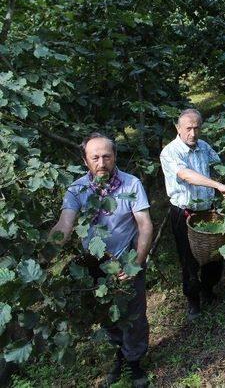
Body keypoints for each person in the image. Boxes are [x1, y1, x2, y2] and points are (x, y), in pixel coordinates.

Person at [49, 133, 153, 387]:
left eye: (107, 156)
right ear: (86, 161)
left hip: (128, 260)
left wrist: (136, 263)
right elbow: (66, 223)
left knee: (135, 315)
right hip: (95, 265)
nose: (102, 162)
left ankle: (135, 363)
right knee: (107, 314)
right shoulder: (77, 189)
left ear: (114, 156)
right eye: (95, 157)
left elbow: (145, 225)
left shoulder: (131, 184)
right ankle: (120, 354)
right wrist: (45, 248)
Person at [160, 108, 225, 321]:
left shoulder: (204, 147)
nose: (192, 133)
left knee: (215, 255)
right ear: (178, 128)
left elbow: (220, 167)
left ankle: (208, 290)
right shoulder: (170, 152)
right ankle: (193, 300)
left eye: (196, 128)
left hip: (208, 211)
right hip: (184, 213)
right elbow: (187, 175)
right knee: (189, 259)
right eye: (188, 129)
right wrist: (217, 185)